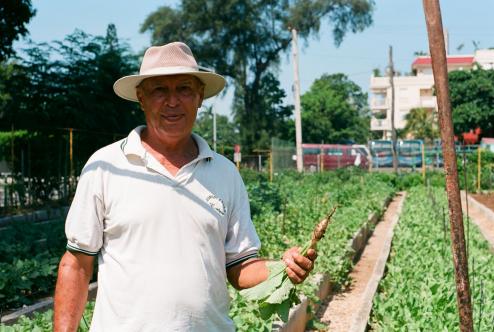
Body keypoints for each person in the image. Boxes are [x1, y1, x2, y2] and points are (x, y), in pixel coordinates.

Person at [54, 42, 316, 332]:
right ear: (141, 98)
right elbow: (76, 265)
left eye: (184, 89)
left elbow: (239, 267)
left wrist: (282, 267)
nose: (172, 101)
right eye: (159, 90)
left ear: (200, 96)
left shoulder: (225, 173)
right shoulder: (106, 166)